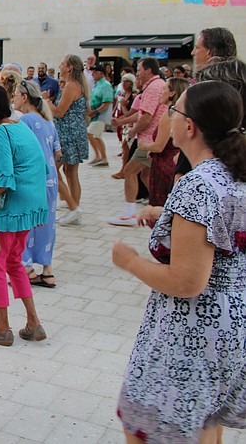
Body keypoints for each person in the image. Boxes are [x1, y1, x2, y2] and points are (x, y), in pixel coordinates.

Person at [112, 81, 246, 443]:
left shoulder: (197, 185)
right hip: (231, 324)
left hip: (194, 330)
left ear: (190, 126)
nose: (167, 116)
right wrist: (167, 214)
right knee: (204, 421)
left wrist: (130, 261)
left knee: (145, 421)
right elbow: (224, 233)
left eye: (174, 110)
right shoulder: (233, 174)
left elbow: (187, 281)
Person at [0, 85, 48, 347]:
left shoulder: (1, 133)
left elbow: (4, 180)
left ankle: (2, 328)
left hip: (10, 210)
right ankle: (33, 323)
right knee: (14, 263)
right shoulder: (21, 126)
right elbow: (41, 166)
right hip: (30, 208)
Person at [13, 80, 61, 288]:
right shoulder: (48, 121)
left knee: (26, 221)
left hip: (33, 179)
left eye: (15, 95)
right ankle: (47, 270)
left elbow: (20, 150)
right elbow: (58, 152)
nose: (13, 99)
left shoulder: (25, 121)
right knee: (47, 222)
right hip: (50, 178)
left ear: (24, 97)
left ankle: (27, 268)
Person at [109, 58, 167, 227]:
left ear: (148, 70)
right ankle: (162, 209)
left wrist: (133, 131)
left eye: (139, 70)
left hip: (149, 140)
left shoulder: (153, 87)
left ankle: (129, 214)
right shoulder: (156, 85)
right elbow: (142, 113)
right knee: (146, 175)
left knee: (129, 171)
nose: (137, 74)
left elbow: (146, 117)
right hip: (152, 139)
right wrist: (122, 122)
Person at [48, 54, 89, 226]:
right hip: (74, 132)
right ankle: (74, 207)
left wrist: (46, 101)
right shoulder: (76, 85)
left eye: (62, 64)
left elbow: (59, 112)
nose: (60, 66)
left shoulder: (71, 86)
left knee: (52, 168)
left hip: (69, 134)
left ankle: (73, 207)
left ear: (69, 67)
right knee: (70, 171)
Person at [138, 77, 189, 208]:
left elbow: (159, 146)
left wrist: (144, 146)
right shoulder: (177, 113)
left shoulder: (170, 115)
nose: (161, 92)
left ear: (172, 93)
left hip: (165, 166)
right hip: (167, 163)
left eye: (164, 89)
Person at [87, 65, 115, 167]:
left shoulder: (105, 85)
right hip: (95, 115)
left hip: (101, 115)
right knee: (95, 136)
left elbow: (107, 101)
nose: (93, 74)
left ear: (102, 73)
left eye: (95, 72)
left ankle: (102, 157)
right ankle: (99, 156)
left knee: (92, 134)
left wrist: (96, 111)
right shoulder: (97, 85)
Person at [111, 73, 138, 180]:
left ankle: (125, 170)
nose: (124, 83)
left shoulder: (134, 96)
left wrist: (123, 106)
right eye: (123, 81)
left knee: (127, 147)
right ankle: (124, 169)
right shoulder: (124, 95)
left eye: (126, 81)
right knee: (125, 147)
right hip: (125, 123)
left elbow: (130, 113)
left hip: (131, 123)